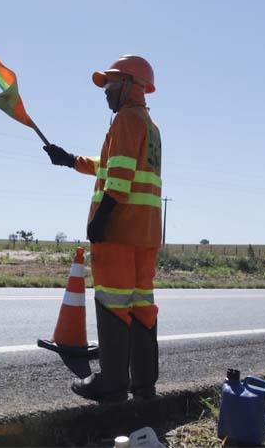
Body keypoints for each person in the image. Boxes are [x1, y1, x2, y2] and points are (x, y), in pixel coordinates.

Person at [43, 55, 162, 402]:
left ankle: (111, 381)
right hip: (146, 233)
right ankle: (143, 383)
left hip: (120, 233)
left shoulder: (125, 119)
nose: (106, 92)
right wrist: (70, 160)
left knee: (111, 301)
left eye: (110, 84)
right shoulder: (148, 125)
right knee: (141, 305)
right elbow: (112, 165)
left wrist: (100, 220)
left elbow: (119, 178)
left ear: (129, 85)